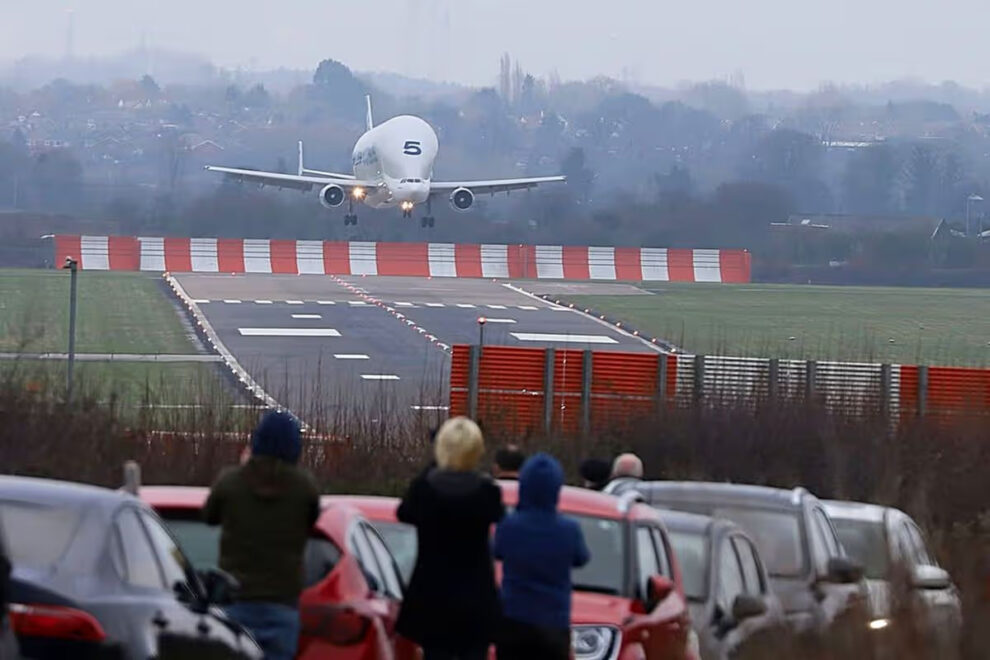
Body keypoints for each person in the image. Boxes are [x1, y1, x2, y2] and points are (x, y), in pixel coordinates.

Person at [204, 410, 319, 660]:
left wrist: (246, 468)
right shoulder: (304, 487)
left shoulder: (232, 482)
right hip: (282, 603)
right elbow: (312, 519)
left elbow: (209, 516)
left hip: (236, 599)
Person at [396, 416, 505, 660]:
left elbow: (405, 512)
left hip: (432, 598)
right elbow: (497, 514)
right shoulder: (487, 493)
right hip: (475, 600)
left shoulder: (425, 490)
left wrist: (438, 460)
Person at [494, 453, 590, 660]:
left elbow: (497, 551)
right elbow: (582, 558)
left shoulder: (509, 525)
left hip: (514, 619)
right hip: (553, 622)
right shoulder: (568, 529)